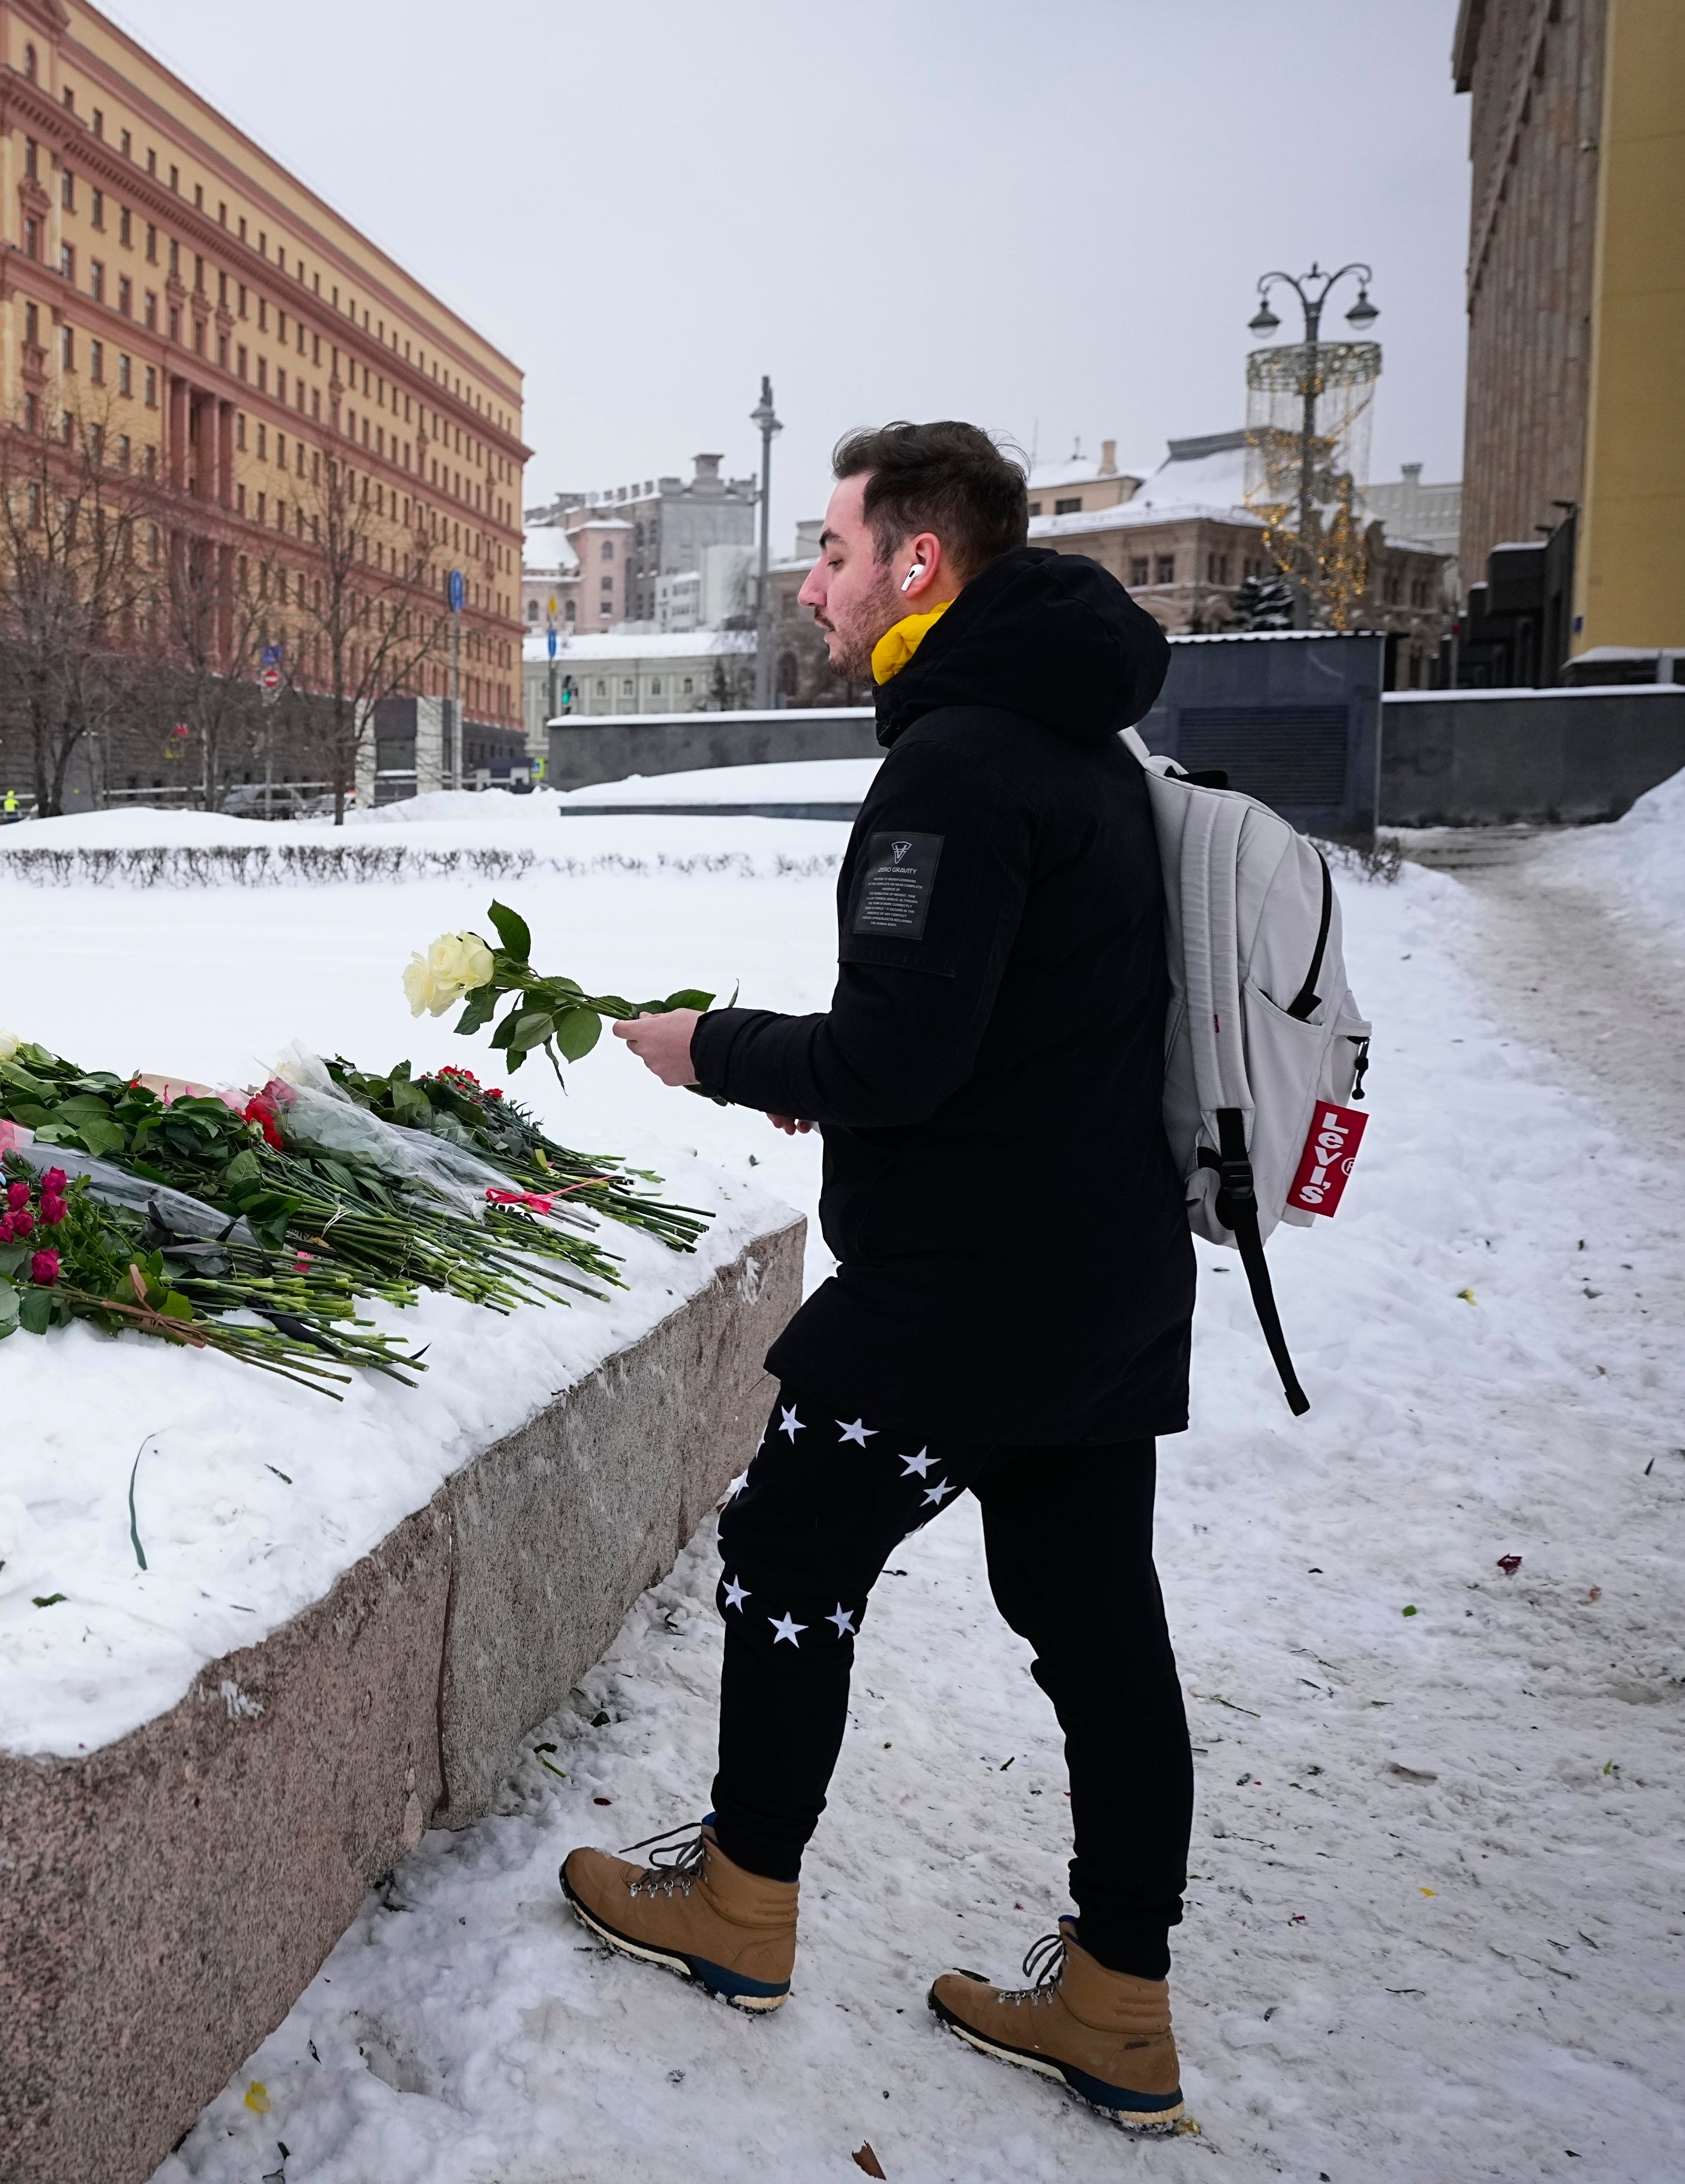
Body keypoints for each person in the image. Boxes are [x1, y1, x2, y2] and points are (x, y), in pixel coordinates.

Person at [559, 421, 1197, 2134]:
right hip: (1093, 1273)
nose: (811, 581)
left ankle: (741, 1895)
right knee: (1094, 1620)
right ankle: (1122, 1999)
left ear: (920, 562)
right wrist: (827, 1067)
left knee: (786, 1547)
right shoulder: (1087, 748)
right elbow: (998, 1031)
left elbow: (911, 1055)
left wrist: (719, 1046)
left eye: (834, 549)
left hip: (967, 1296)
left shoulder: (962, 761)